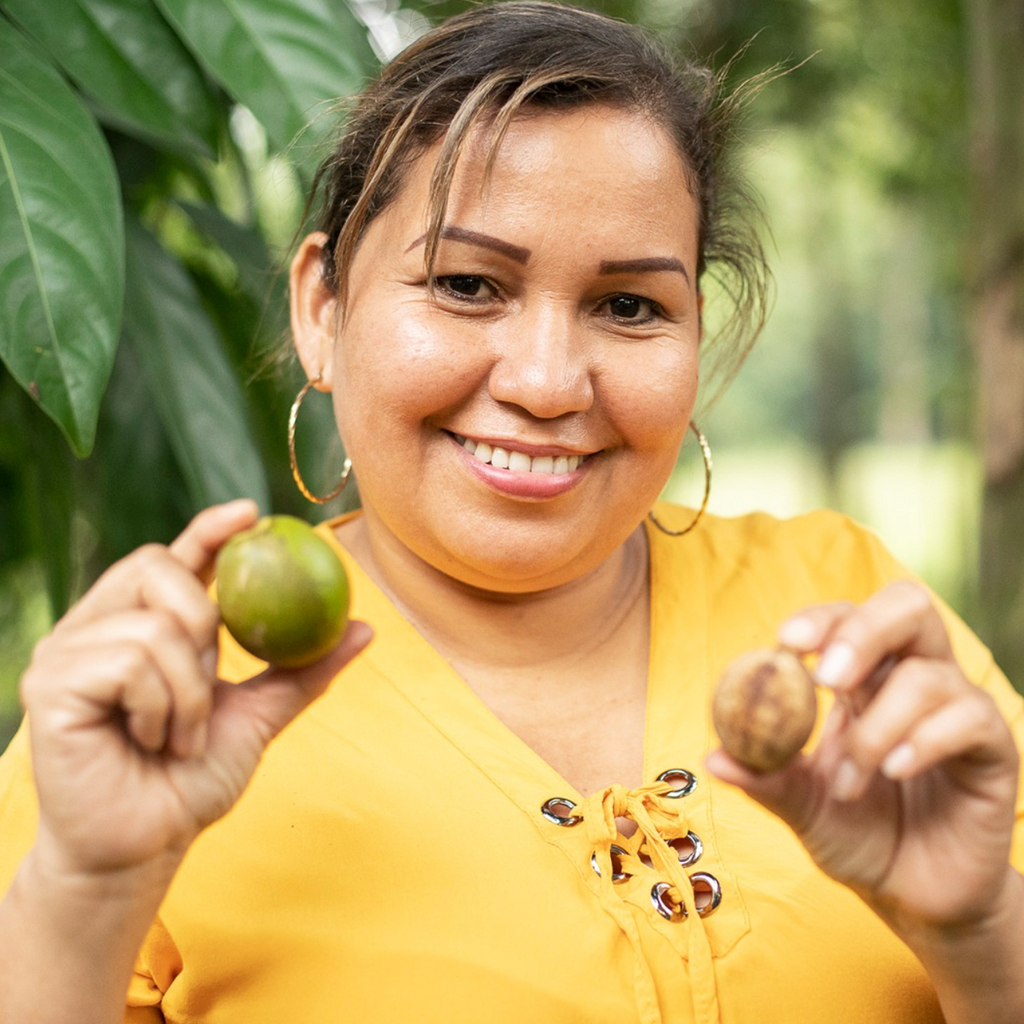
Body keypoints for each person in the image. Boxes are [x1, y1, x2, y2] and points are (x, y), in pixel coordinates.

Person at [1, 3, 1022, 1022]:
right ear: (323, 307)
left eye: (629, 306)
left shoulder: (845, 619)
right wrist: (85, 894)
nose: (545, 381)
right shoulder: (158, 715)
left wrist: (977, 930)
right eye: (465, 283)